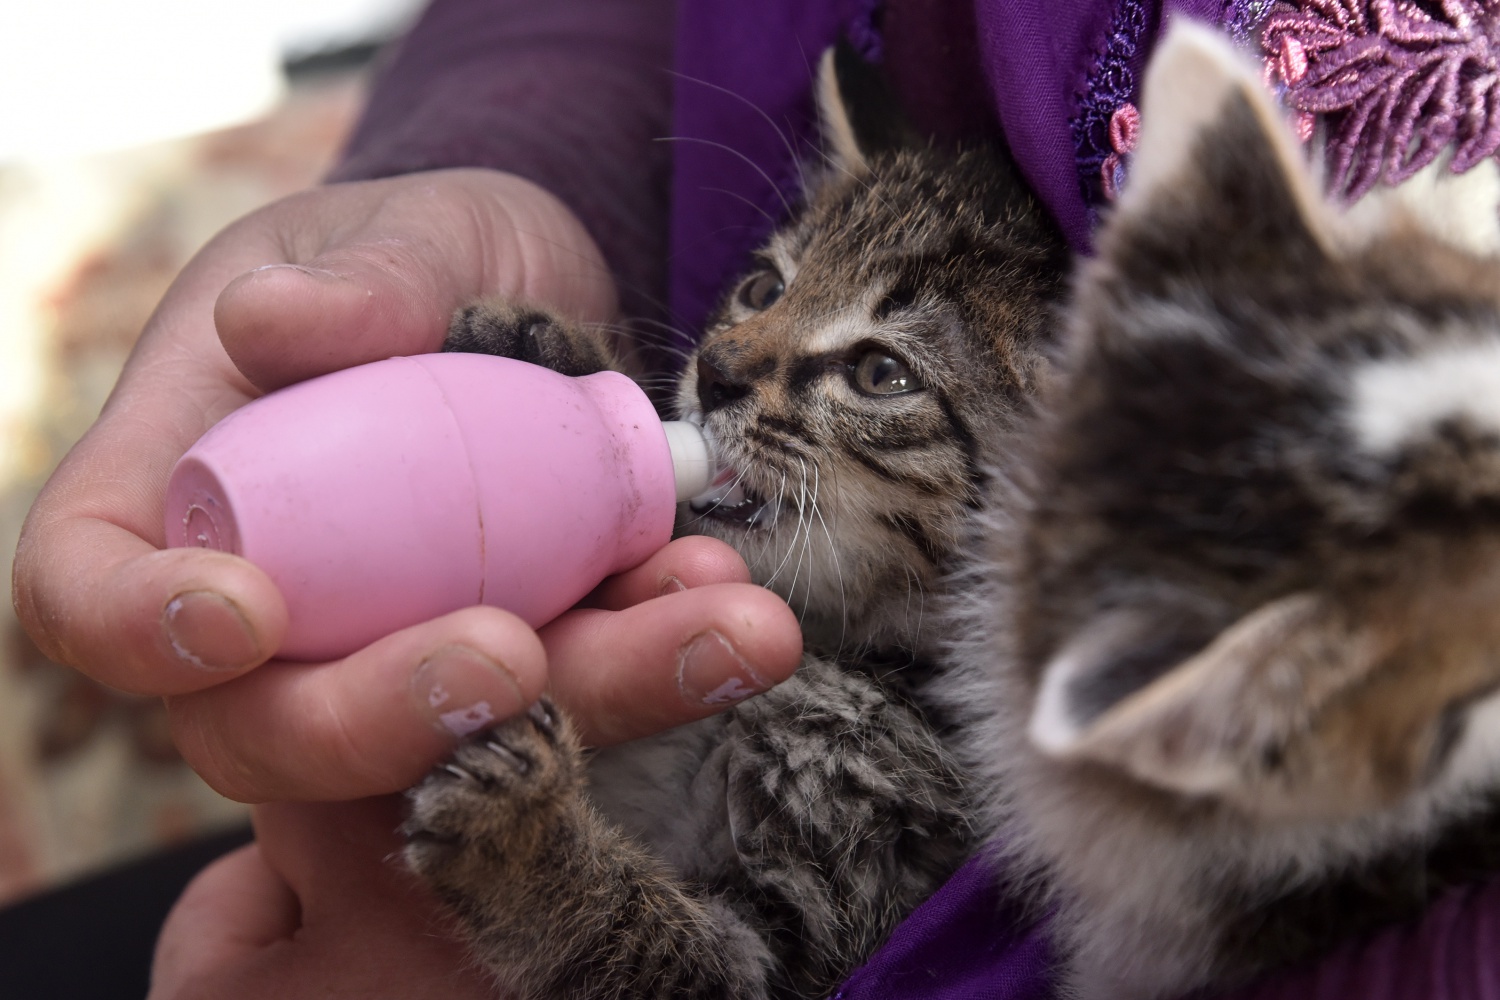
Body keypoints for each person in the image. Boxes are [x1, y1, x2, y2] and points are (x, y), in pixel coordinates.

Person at [15, 0, 1500, 997]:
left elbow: (742, 968)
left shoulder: (907, 760)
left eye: (874, 378)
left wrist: (545, 878)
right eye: (766, 295)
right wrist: (524, 194)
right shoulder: (720, 553)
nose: (732, 363)